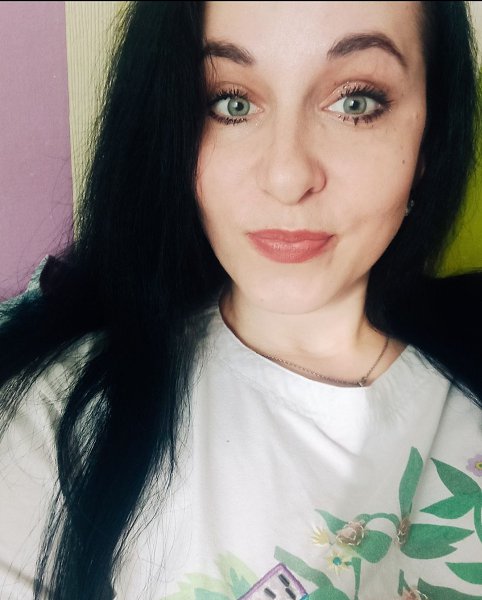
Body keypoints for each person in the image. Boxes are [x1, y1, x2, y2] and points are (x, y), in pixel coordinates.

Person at [1, 1, 482, 599]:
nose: (287, 177)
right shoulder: (54, 426)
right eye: (231, 103)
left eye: (356, 102)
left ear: (429, 135)